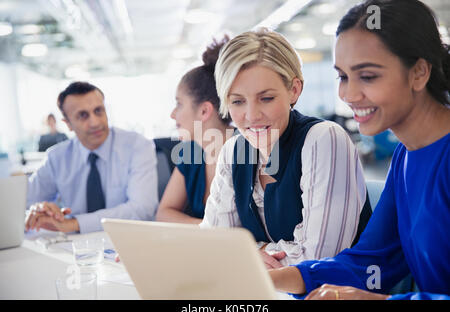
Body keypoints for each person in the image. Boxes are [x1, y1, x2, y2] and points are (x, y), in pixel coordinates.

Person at [269, 0, 450, 300]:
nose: (348, 94)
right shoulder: (406, 157)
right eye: (342, 76)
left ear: (419, 72)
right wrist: (268, 278)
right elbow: (372, 260)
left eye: (367, 76)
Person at [200, 28, 372, 269]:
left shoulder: (324, 139)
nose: (252, 115)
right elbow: (211, 244)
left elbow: (316, 259)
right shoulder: (233, 151)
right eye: (237, 101)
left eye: (266, 98)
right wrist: (243, 253)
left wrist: (247, 252)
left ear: (294, 90)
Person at [25, 81, 159, 234]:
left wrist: (74, 224)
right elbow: (25, 203)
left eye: (98, 111)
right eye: (83, 115)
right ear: (68, 123)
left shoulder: (137, 146)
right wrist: (40, 211)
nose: (95, 122)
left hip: (130, 238)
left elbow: (142, 208)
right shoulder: (56, 158)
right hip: (77, 247)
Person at [156, 36, 235, 224]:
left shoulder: (245, 152)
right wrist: (206, 230)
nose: (173, 114)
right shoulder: (191, 153)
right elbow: (164, 213)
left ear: (204, 110)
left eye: (179, 104)